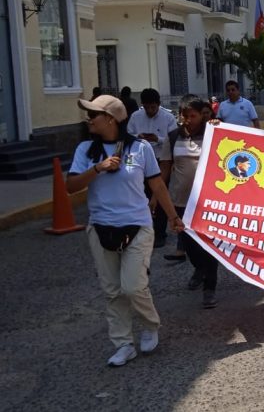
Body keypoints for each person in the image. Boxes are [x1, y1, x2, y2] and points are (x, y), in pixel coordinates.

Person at [66, 95, 183, 366]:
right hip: (100, 228)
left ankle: (151, 325)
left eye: (93, 114)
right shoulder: (85, 150)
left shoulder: (140, 149)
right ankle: (123, 343)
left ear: (111, 119)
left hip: (137, 226)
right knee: (112, 291)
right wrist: (98, 168)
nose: (89, 119)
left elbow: (157, 186)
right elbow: (70, 187)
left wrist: (173, 217)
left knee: (132, 287)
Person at [158, 96, 220, 308]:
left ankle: (209, 288)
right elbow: (165, 170)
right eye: (184, 116)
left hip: (209, 202)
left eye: (192, 116)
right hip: (181, 202)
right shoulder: (173, 137)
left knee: (210, 246)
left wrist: (219, 129)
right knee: (190, 245)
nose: (188, 120)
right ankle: (199, 268)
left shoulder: (213, 134)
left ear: (201, 115)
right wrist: (155, 198)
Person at [127, 88, 178, 248]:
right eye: (147, 107)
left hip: (160, 159)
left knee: (160, 195)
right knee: (141, 195)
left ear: (158, 104)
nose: (150, 111)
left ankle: (160, 232)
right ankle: (141, 229)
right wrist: (138, 137)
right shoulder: (135, 117)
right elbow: (128, 134)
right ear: (142, 105)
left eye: (153, 107)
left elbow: (174, 139)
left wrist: (158, 139)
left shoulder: (168, 117)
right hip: (140, 159)